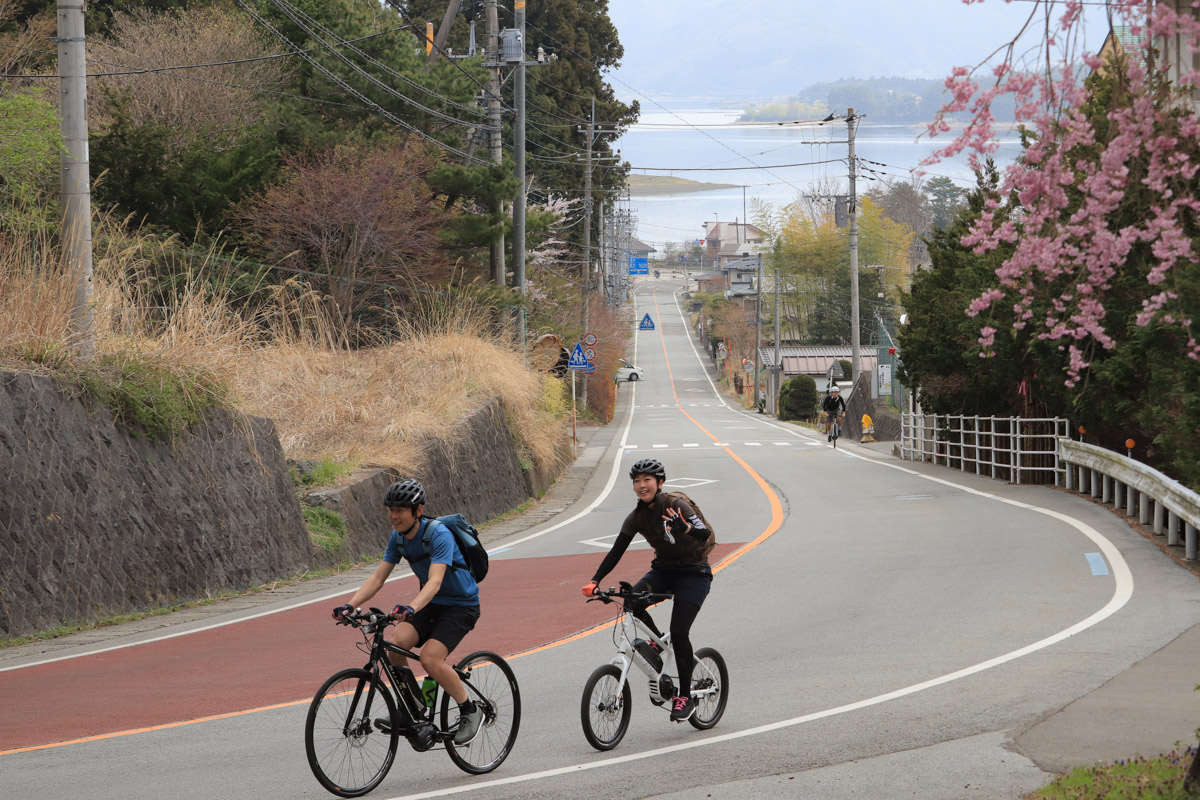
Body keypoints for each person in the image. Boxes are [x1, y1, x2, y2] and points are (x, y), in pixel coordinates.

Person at [332, 478, 483, 746]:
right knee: (395, 648)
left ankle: (470, 710)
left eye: (400, 510)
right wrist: (350, 605)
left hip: (461, 605)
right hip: (430, 604)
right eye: (390, 509)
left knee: (430, 659)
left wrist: (411, 606)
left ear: (418, 511)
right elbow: (378, 579)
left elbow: (435, 581)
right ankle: (412, 708)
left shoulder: (438, 534)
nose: (393, 516)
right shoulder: (398, 538)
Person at [581, 458, 713, 723]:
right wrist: (595, 580)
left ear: (659, 483)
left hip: (694, 573)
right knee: (632, 602)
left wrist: (683, 527)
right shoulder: (637, 516)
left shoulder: (675, 505)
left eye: (647, 481)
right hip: (664, 570)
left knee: (679, 631)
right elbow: (617, 550)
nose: (642, 486)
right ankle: (656, 640)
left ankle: (684, 696)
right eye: (637, 482)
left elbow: (702, 531)